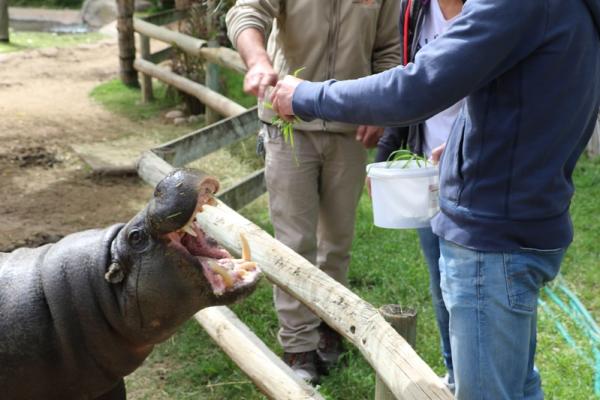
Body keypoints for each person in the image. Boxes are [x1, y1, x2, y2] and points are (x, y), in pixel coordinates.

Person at [269, 0, 600, 398]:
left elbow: (418, 86)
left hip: (491, 240)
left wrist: (307, 95)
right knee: (519, 387)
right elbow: (527, 97)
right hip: (526, 219)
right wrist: (465, 145)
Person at [225, 0, 401, 384]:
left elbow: (390, 49)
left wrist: (378, 109)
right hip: (287, 126)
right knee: (293, 243)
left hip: (349, 128)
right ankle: (298, 346)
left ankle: (329, 325)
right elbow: (246, 12)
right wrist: (258, 61)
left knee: (336, 242)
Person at [373, 0, 465, 392]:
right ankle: (454, 375)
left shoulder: (494, 10)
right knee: (440, 278)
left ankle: (477, 376)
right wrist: (387, 147)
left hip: (477, 175)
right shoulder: (414, 10)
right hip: (427, 173)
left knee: (468, 286)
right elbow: (410, 86)